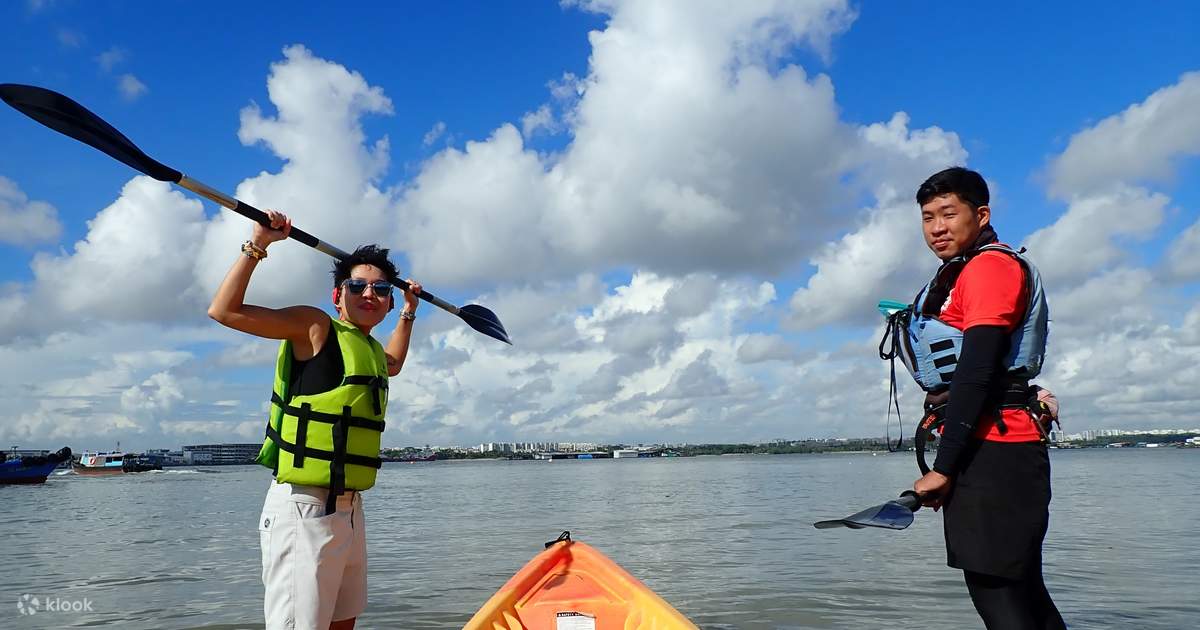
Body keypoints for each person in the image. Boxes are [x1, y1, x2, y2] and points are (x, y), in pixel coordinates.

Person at [208, 209, 421, 630]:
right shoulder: (315, 326)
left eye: (381, 288)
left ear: (389, 299)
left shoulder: (371, 350)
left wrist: (409, 313)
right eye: (357, 285)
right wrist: (260, 245)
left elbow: (393, 363)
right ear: (337, 295)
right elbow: (225, 311)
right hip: (303, 508)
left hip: (351, 510)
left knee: (344, 622)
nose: (369, 294)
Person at [904, 167, 1066, 629]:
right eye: (927, 217)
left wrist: (943, 470)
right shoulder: (968, 272)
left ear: (981, 215)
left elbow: (975, 375)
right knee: (1022, 592)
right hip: (998, 449)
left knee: (999, 596)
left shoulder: (989, 269)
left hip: (995, 451)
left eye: (949, 214)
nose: (937, 228)